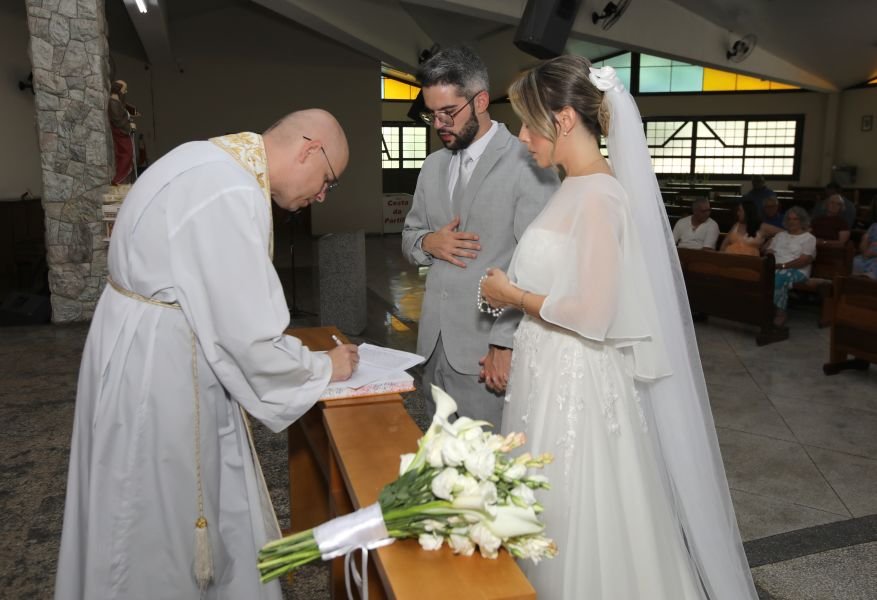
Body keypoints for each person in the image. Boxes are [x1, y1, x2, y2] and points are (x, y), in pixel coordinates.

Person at [54, 109, 360, 600]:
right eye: (328, 181)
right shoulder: (230, 190)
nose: (321, 195)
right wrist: (325, 366)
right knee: (157, 510)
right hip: (161, 369)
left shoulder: (203, 157)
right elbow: (248, 337)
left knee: (133, 494)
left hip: (137, 344)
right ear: (308, 150)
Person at [480, 56, 756, 599]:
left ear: (561, 120)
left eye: (529, 123)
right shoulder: (573, 187)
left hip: (576, 381)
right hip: (548, 371)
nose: (522, 137)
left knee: (577, 510)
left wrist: (512, 295)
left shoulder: (601, 197)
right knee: (545, 504)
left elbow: (592, 313)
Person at [401, 46, 557, 426]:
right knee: (438, 461)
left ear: (481, 100)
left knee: (487, 468)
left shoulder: (528, 161)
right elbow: (409, 235)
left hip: (486, 348)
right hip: (433, 347)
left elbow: (538, 264)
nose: (439, 124)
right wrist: (428, 243)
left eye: (448, 112)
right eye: (432, 114)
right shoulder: (433, 164)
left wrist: (505, 341)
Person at [766, 206, 817, 328]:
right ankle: (763, 309)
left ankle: (780, 313)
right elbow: (769, 251)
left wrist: (782, 266)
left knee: (779, 277)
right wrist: (771, 259)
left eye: (795, 219)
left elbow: (803, 261)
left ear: (802, 221)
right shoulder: (780, 235)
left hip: (797, 271)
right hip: (775, 267)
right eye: (789, 219)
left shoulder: (809, 238)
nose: (791, 222)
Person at [108, 80, 136, 185]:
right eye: (124, 90)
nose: (125, 92)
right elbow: (118, 120)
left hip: (122, 131)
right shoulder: (113, 103)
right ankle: (118, 179)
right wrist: (129, 126)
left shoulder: (117, 102)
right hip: (121, 133)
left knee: (128, 154)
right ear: (118, 90)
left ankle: (122, 179)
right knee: (126, 154)